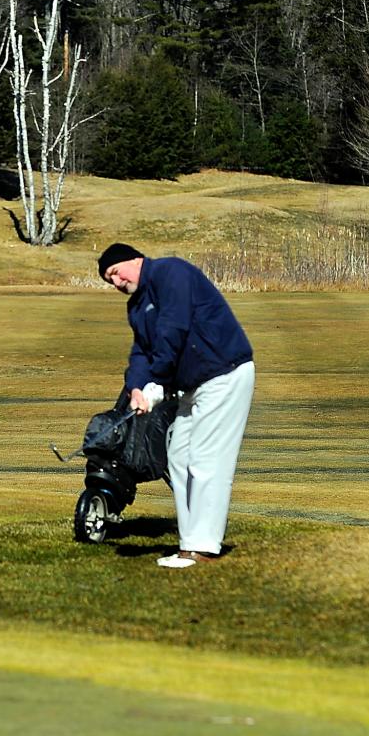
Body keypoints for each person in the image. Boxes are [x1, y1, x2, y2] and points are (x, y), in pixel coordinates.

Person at [97, 242, 255, 569]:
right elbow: (141, 351)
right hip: (192, 386)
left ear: (134, 260)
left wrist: (156, 382)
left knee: (206, 460)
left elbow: (174, 329)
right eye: (108, 279)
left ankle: (204, 547)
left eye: (115, 272)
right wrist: (136, 388)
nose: (115, 282)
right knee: (180, 456)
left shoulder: (171, 272)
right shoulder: (137, 306)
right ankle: (189, 544)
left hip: (224, 373)